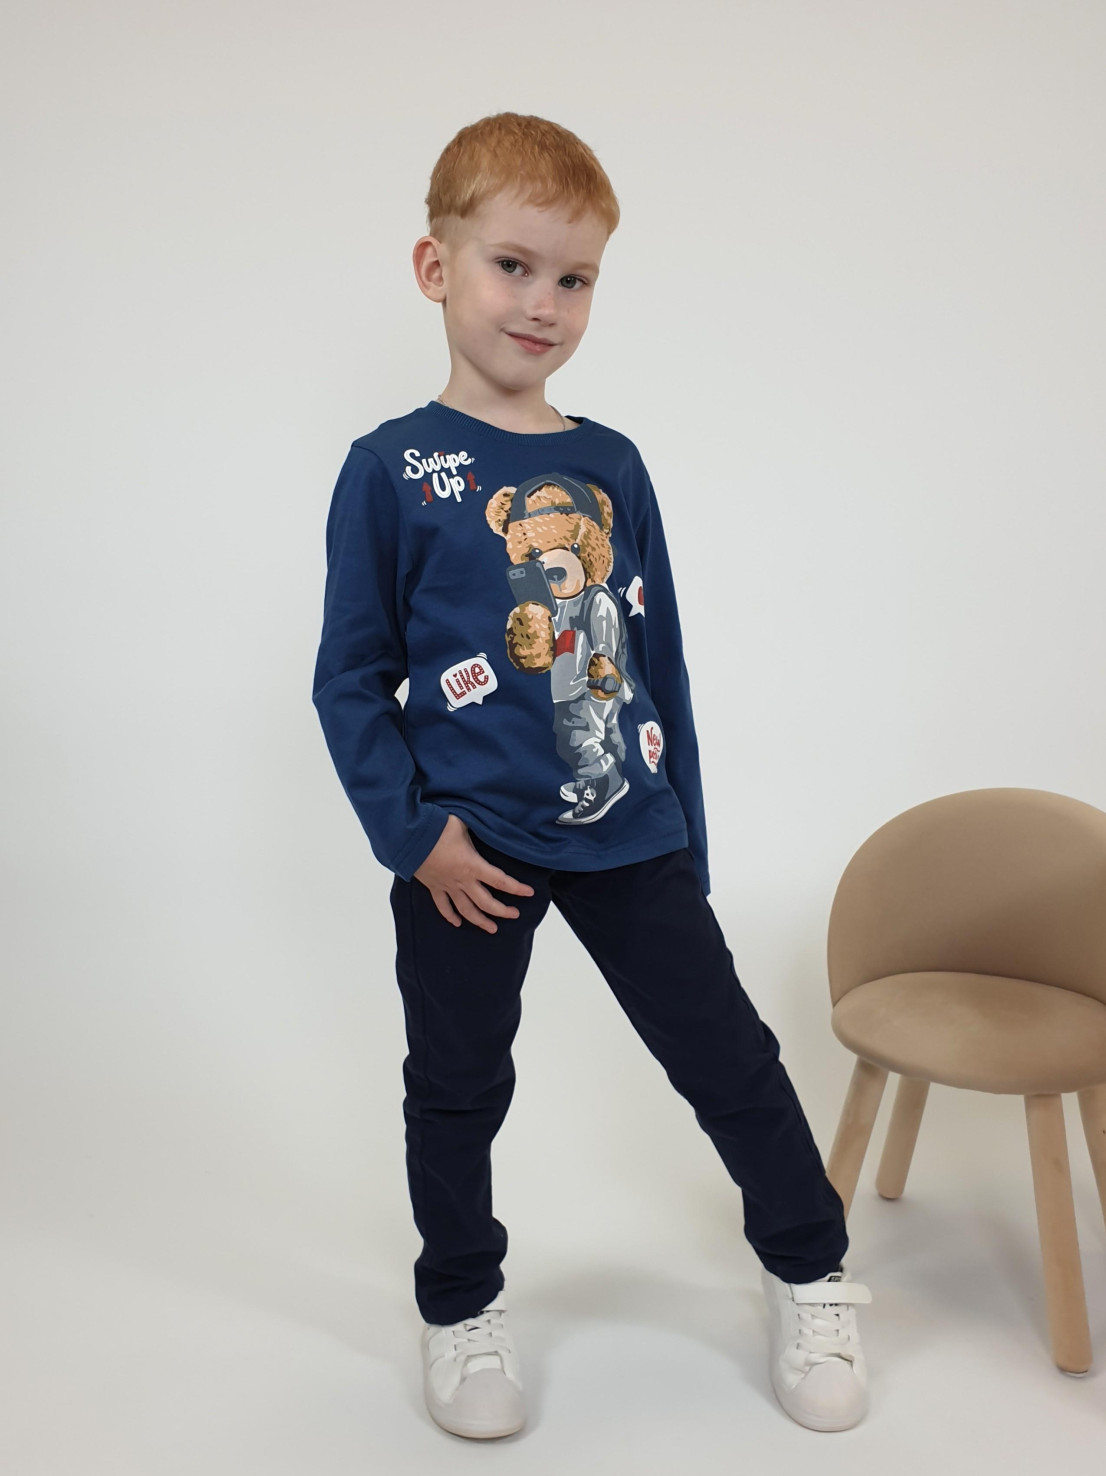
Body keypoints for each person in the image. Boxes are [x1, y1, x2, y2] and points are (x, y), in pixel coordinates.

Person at [311, 111, 873, 1440]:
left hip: (630, 831)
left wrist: (689, 843)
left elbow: (660, 662)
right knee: (457, 1087)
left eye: (574, 279)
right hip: (469, 853)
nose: (542, 304)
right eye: (512, 265)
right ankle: (460, 1305)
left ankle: (810, 1270)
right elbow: (349, 678)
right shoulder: (391, 470)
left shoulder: (610, 463)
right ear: (434, 266)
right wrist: (413, 838)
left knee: (730, 1062)